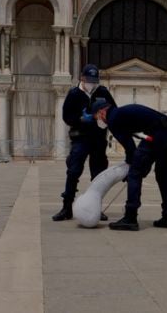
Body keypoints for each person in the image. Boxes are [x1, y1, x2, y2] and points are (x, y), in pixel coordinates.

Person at [92, 101, 167, 231]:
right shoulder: (120, 113)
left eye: (96, 117)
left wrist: (132, 166)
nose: (99, 120)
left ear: (102, 112)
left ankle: (130, 217)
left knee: (134, 174)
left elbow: (129, 147)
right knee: (163, 177)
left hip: (157, 133)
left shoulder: (113, 119)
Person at [52, 64, 117, 222]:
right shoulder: (74, 94)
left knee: (98, 175)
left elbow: (114, 111)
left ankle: (96, 207)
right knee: (73, 171)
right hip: (80, 138)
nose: (92, 83)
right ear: (82, 78)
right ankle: (67, 208)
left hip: (98, 138)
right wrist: (80, 119)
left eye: (94, 80)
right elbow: (66, 116)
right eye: (89, 80)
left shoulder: (103, 92)